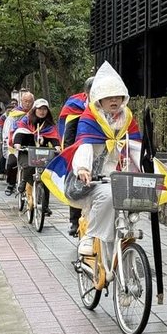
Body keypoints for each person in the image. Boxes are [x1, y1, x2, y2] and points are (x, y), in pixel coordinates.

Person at [69, 63, 141, 259]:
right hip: (95, 176)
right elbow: (84, 144)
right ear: (100, 99)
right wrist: (83, 168)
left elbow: (136, 146)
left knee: (136, 201)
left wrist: (146, 168)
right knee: (108, 196)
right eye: (110, 96)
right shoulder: (89, 118)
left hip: (120, 173)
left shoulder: (127, 118)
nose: (114, 100)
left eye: (118, 96)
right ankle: (90, 236)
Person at [59, 76, 95, 236]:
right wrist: (71, 155)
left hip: (101, 153)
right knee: (77, 186)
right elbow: (69, 135)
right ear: (86, 93)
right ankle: (74, 221)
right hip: (79, 151)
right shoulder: (75, 107)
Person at [12, 98, 60, 212]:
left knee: (45, 176)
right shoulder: (26, 120)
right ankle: (24, 180)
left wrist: (57, 147)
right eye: (39, 109)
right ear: (35, 109)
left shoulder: (49, 124)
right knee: (28, 166)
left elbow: (54, 138)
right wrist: (17, 144)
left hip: (41, 152)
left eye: (44, 109)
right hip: (26, 150)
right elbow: (20, 133)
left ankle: (45, 206)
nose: (42, 111)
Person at [4, 91, 34, 195]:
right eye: (25, 101)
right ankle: (11, 184)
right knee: (12, 163)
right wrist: (7, 142)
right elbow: (7, 130)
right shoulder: (14, 114)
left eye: (30, 102)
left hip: (32, 144)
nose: (27, 104)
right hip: (15, 143)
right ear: (21, 101)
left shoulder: (36, 113)